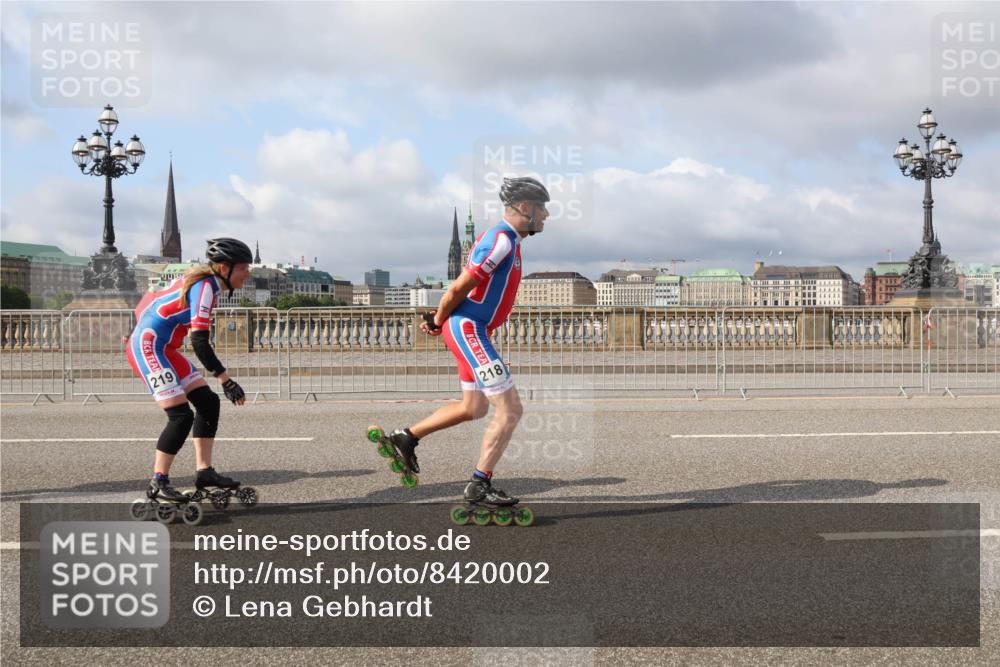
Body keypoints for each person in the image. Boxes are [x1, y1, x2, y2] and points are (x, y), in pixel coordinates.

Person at [384, 176, 550, 507]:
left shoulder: (511, 242)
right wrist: (438, 319)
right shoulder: (501, 241)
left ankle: (406, 437)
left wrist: (442, 321)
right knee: (512, 409)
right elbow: (458, 288)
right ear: (526, 208)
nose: (546, 215)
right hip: (470, 328)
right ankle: (479, 484)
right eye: (542, 208)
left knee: (474, 407)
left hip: (473, 328)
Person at [126, 237, 253, 503]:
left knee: (208, 402)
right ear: (223, 268)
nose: (248, 273)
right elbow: (199, 341)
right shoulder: (205, 287)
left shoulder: (208, 285)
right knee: (181, 416)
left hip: (166, 348)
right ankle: (158, 482)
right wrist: (225, 379)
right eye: (243, 268)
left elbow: (149, 300)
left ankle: (204, 472)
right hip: (149, 346)